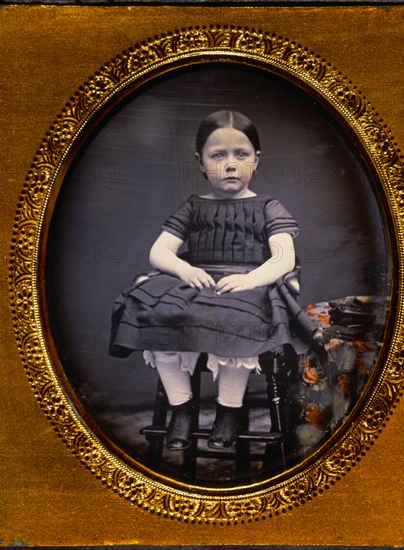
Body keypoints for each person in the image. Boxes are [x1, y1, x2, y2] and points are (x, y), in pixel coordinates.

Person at [109, 110, 320, 452]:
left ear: (256, 160)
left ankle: (228, 410)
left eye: (241, 154)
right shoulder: (193, 207)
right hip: (200, 282)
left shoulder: (268, 206)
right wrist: (184, 270)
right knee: (153, 310)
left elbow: (283, 258)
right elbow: (159, 251)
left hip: (250, 287)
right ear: (201, 162)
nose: (230, 165)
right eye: (218, 155)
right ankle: (181, 407)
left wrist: (251, 279)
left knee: (237, 319)